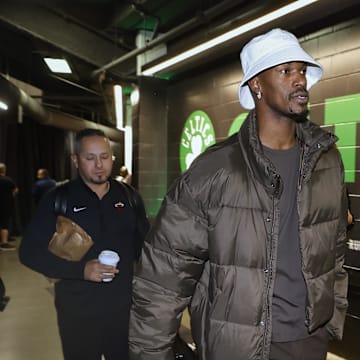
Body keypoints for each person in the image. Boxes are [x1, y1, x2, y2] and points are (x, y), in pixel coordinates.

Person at [129, 28, 349, 360]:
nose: (299, 80)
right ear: (256, 85)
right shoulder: (213, 171)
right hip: (237, 346)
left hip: (309, 342)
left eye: (302, 70)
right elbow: (163, 279)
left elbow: (333, 251)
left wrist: (331, 315)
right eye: (285, 70)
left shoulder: (327, 160)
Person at [19, 129, 149, 360]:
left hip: (123, 313)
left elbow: (146, 250)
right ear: (75, 160)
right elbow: (28, 253)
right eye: (90, 158)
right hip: (76, 313)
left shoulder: (129, 198)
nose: (99, 165)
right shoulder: (58, 199)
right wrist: (81, 270)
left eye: (105, 157)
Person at [0, 162, 18, 251]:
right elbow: (15, 190)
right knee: (4, 223)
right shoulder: (8, 180)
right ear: (4, 170)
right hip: (5, 205)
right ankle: (4, 243)